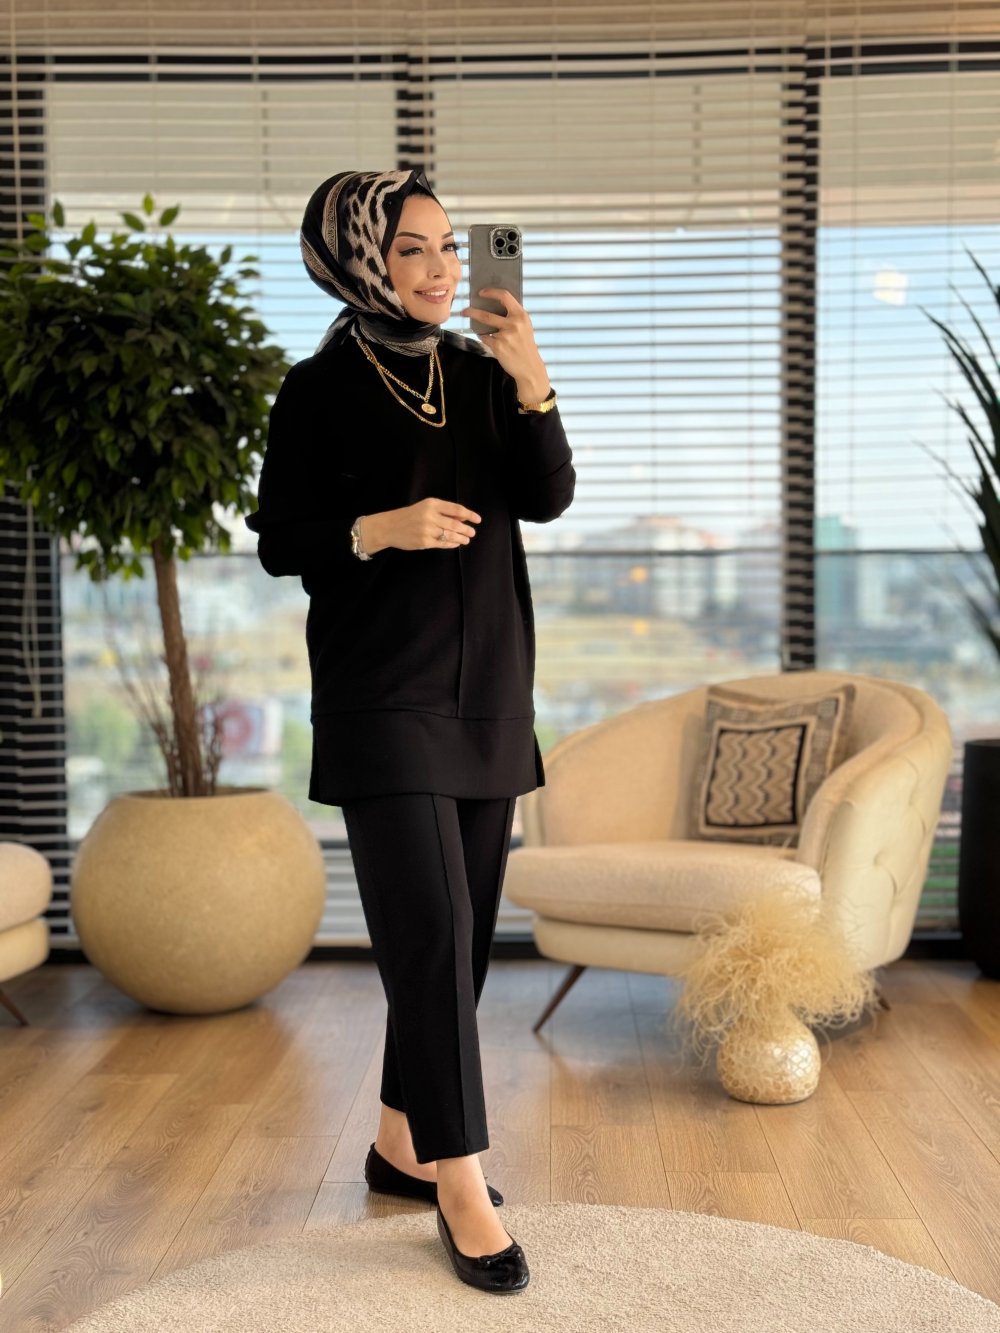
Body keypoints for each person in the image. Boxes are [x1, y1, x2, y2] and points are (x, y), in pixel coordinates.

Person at [244, 168, 575, 1294]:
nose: (439, 269)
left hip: (490, 687)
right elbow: (281, 542)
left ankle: (398, 1140)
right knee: (430, 932)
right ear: (357, 262)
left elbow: (548, 498)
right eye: (411, 250)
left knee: (460, 940)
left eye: (447, 247)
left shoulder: (482, 375)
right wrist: (377, 529)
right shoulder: (315, 390)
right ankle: (460, 1182)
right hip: (380, 692)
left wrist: (532, 379)